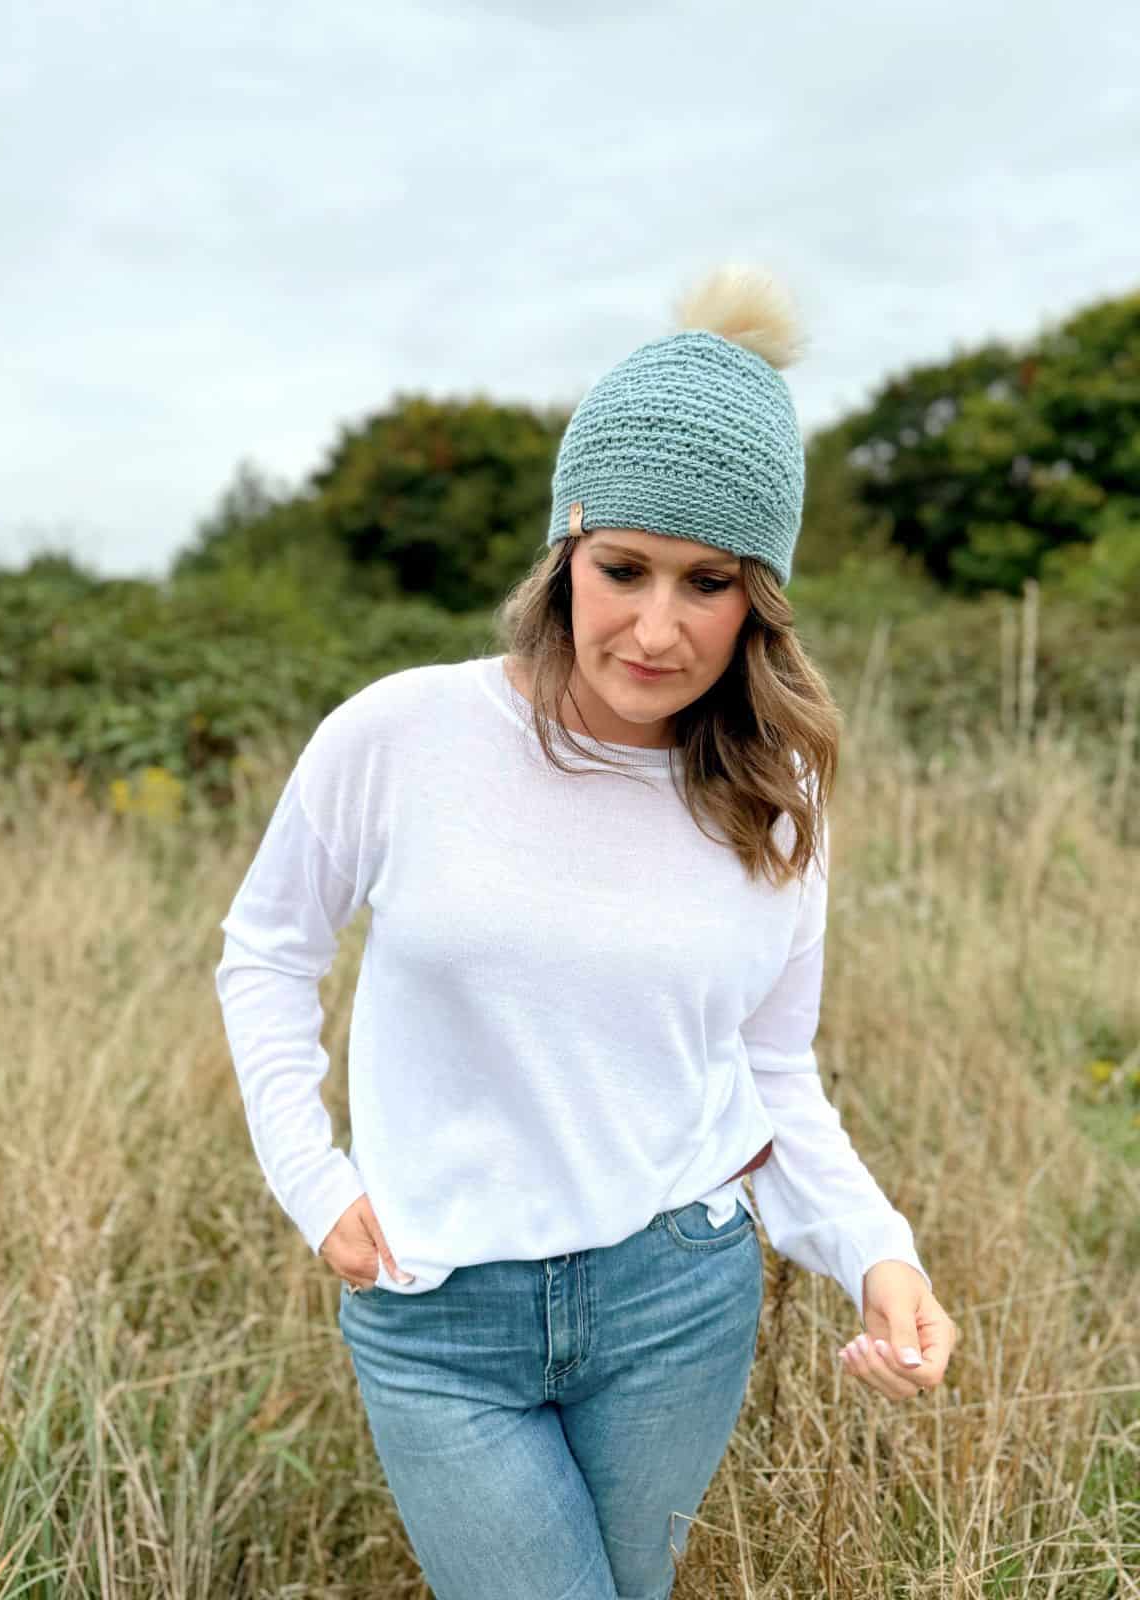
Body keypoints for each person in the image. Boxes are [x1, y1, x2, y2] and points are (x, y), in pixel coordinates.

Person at [214, 262, 958, 1600]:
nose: (656, 627)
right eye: (622, 568)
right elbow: (267, 952)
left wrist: (876, 1249)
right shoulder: (401, 735)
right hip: (438, 1312)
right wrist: (313, 1182)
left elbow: (773, 1072)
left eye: (708, 583)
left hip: (676, 1298)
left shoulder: (775, 806)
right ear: (566, 545)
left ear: (761, 599)